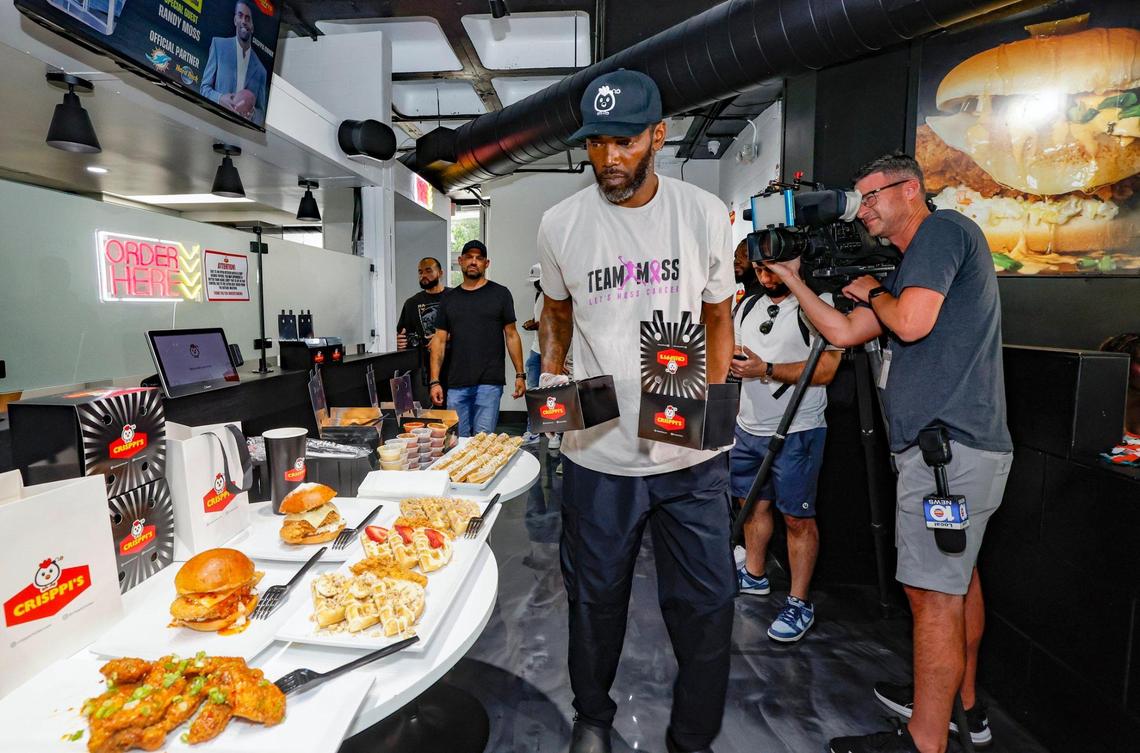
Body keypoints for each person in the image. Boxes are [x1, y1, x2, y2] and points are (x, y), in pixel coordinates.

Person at [764, 153, 1012, 753]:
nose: (863, 208)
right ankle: (965, 709)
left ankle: (924, 741)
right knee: (955, 584)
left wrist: (873, 290)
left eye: (872, 196)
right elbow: (844, 333)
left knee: (930, 597)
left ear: (911, 190)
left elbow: (912, 323)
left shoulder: (942, 232)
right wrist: (795, 278)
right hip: (947, 455)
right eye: (860, 197)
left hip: (945, 457)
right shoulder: (916, 263)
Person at [538, 69, 736, 753]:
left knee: (708, 606)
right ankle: (592, 716)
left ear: (660, 135)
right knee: (594, 606)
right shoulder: (560, 224)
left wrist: (713, 413)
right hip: (598, 447)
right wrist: (551, 374)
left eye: (623, 142)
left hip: (690, 451)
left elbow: (717, 316)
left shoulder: (704, 216)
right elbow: (555, 313)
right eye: (596, 144)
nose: (608, 159)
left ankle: (693, 738)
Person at [730, 261, 840, 643]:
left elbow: (827, 368)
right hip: (749, 425)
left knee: (797, 518)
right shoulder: (746, 306)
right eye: (760, 269)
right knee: (751, 504)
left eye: (774, 269)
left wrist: (767, 368)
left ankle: (799, 600)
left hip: (798, 429)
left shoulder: (819, 303)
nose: (766, 277)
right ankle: (755, 573)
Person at [429, 240, 526, 436]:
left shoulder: (500, 294)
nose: (474, 262)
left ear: (486, 263)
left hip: (490, 382)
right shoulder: (449, 299)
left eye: (479, 258)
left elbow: (512, 335)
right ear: (461, 261)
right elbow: (438, 341)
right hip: (456, 383)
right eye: (469, 257)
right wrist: (434, 381)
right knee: (457, 444)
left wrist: (520, 375)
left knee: (483, 442)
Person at [201, 1, 268, 125]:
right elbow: (204, 89)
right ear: (235, 20)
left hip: (240, 133)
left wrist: (252, 113)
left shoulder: (260, 71)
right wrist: (220, 98)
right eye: (240, 15)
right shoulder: (218, 46)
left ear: (252, 26)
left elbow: (261, 115)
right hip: (213, 122)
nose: (243, 21)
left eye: (248, 18)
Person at [397, 256, 448, 393]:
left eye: (428, 271)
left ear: (440, 273)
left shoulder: (454, 297)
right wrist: (399, 341)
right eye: (420, 272)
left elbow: (466, 329)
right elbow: (402, 335)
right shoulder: (412, 303)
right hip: (425, 372)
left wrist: (444, 337)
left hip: (455, 369)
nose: (424, 275)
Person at [521, 263, 544, 444]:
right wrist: (534, 323)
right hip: (537, 350)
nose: (536, 285)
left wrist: (537, 325)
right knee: (533, 393)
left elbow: (562, 326)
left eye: (538, 281)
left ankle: (556, 436)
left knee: (556, 394)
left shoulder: (559, 296)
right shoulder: (539, 295)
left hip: (552, 353)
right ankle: (533, 431)